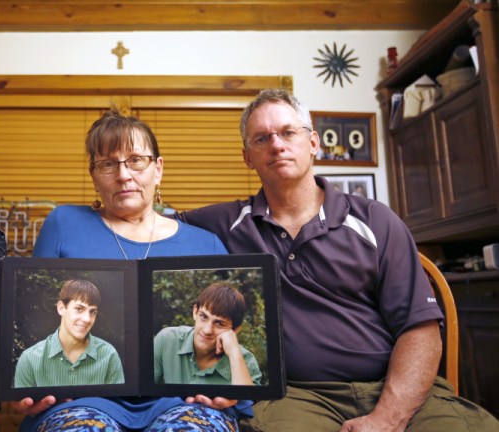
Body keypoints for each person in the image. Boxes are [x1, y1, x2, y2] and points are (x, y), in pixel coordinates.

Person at [175, 88, 499, 431]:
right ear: (247, 157)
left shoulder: (375, 220)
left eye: (288, 132)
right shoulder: (228, 223)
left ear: (313, 142)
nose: (277, 144)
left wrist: (388, 417)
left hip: (397, 385)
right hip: (297, 396)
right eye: (261, 138)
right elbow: (150, 223)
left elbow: (419, 328)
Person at [16, 110, 249, 432]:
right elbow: (26, 315)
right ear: (94, 175)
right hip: (81, 401)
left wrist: (230, 396)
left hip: (185, 402)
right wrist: (20, 386)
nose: (124, 175)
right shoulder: (63, 223)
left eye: (136, 160)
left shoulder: (205, 243)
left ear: (158, 168)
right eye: (108, 164)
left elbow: (230, 349)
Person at [14, 279, 124, 387]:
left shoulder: (109, 355)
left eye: (92, 312)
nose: (87, 319)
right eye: (79, 309)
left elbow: (116, 404)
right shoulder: (30, 359)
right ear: (61, 308)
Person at [154, 282, 262, 386]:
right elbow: (140, 393)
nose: (207, 330)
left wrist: (234, 353)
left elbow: (248, 402)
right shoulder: (167, 339)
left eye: (219, 323)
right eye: (204, 317)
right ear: (195, 312)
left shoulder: (246, 361)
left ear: (235, 330)